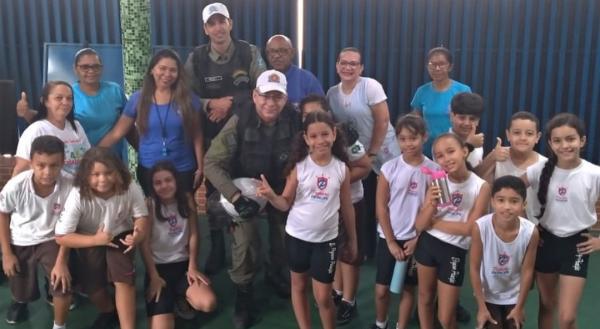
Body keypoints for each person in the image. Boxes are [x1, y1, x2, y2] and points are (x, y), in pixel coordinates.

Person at [204, 69, 301, 329]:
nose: (271, 103)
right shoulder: (239, 121)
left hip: (280, 189)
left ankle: (275, 272)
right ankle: (244, 294)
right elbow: (211, 163)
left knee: (285, 238)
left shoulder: (295, 120)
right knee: (246, 243)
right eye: (265, 96)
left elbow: (315, 143)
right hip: (244, 190)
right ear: (255, 96)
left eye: (277, 97)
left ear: (285, 99)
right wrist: (235, 198)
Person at [184, 1, 267, 275]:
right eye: (212, 23)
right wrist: (210, 103)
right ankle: (218, 248)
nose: (218, 27)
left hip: (246, 138)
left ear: (230, 23)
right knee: (213, 195)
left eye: (222, 21)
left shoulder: (249, 52)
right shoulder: (196, 58)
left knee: (247, 190)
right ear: (205, 29)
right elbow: (186, 95)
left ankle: (253, 253)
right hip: (211, 140)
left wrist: (228, 104)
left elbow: (263, 87)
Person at [256, 111, 358, 329]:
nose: (320, 140)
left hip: (327, 241)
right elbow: (285, 203)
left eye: (324, 134)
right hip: (297, 238)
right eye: (313, 136)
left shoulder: (341, 169)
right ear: (305, 139)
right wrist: (272, 196)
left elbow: (347, 207)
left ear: (334, 134)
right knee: (299, 286)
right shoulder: (299, 167)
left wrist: (352, 240)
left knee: (323, 297)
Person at [55, 147, 149, 329]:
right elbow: (61, 237)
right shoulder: (78, 194)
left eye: (108, 173)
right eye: (95, 174)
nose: (103, 179)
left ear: (118, 171)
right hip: (89, 236)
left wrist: (138, 234)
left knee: (124, 280)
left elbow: (141, 217)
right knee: (93, 287)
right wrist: (96, 240)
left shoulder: (129, 186)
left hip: (120, 233)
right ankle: (108, 310)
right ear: (84, 176)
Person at [522, 113, 600, 329]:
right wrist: (524, 226)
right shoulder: (540, 169)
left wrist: (599, 241)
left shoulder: (594, 173)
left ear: (582, 141)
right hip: (545, 243)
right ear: (549, 143)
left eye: (571, 139)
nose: (565, 145)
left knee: (567, 317)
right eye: (557, 140)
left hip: (577, 245)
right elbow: (511, 189)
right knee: (547, 305)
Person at [298, 94, 371, 324]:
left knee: (349, 253)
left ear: (328, 113)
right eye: (307, 114)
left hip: (351, 202)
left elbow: (366, 166)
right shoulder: (306, 138)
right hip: (326, 207)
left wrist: (337, 182)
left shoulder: (345, 134)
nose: (313, 117)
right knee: (335, 250)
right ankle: (338, 292)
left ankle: (349, 300)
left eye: (317, 112)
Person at [327, 47, 400, 263]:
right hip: (357, 155)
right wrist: (361, 157)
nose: (348, 67)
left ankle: (392, 248)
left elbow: (383, 121)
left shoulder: (370, 86)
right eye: (344, 63)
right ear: (337, 65)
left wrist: (373, 152)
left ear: (361, 68)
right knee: (365, 202)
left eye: (354, 64)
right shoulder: (331, 93)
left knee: (388, 202)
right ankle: (367, 249)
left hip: (383, 152)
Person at [99, 49, 203, 195]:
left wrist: (200, 167)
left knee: (187, 208)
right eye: (162, 68)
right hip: (149, 167)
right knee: (153, 210)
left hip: (183, 167)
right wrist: (93, 155)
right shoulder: (138, 99)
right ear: (152, 70)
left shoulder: (189, 99)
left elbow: (197, 135)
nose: (167, 74)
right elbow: (117, 133)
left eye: (173, 70)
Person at [367, 114, 437, 329]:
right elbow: (381, 207)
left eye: (413, 138)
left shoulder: (434, 171)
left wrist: (417, 239)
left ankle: (401, 325)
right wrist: (390, 241)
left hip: (416, 241)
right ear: (397, 139)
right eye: (403, 138)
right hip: (389, 237)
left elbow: (434, 211)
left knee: (408, 288)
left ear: (424, 137)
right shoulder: (389, 168)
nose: (408, 144)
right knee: (381, 290)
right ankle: (381, 324)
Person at [414, 133, 491, 329]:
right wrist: (431, 204)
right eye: (439, 156)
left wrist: (435, 223)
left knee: (446, 318)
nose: (446, 159)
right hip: (427, 244)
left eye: (451, 151)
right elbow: (420, 225)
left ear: (464, 151)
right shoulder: (437, 183)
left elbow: (469, 229)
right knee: (425, 298)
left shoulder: (481, 187)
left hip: (453, 250)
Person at [0, 136, 73, 328]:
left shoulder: (71, 185)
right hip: (21, 238)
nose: (47, 172)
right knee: (19, 281)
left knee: (61, 283)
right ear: (31, 162)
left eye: (54, 165)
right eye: (41, 165)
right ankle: (20, 301)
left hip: (53, 238)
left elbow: (71, 226)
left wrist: (62, 262)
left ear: (62, 162)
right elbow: (3, 215)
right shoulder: (16, 186)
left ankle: (59, 324)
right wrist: (6, 254)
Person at [16, 48, 131, 159]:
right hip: (76, 160)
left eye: (96, 66)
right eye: (85, 67)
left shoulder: (115, 90)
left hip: (111, 157)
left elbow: (128, 122)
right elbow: (49, 121)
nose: (91, 71)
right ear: (75, 69)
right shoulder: (68, 94)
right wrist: (26, 112)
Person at [140, 161, 216, 328]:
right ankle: (172, 300)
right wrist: (153, 276)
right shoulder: (149, 205)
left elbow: (194, 234)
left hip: (183, 266)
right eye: (158, 183)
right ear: (152, 187)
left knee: (208, 303)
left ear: (176, 181)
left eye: (168, 180)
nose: (164, 186)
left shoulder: (187, 199)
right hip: (159, 269)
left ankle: (181, 297)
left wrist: (193, 266)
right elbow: (144, 244)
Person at [470, 175, 539, 329]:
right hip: (488, 295)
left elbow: (527, 271)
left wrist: (520, 306)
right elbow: (474, 268)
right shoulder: (480, 227)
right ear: (492, 202)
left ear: (524, 204)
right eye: (501, 200)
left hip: (514, 297)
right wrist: (481, 308)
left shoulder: (531, 232)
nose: (507, 206)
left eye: (514, 201)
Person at [479, 111, 546, 223]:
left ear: (537, 137)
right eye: (516, 133)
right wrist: (491, 158)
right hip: (497, 225)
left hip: (531, 227)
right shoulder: (497, 155)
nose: (523, 138)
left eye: (529, 133)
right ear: (508, 134)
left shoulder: (545, 164)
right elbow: (476, 181)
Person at [13, 81, 91, 176]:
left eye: (69, 98)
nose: (65, 102)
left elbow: (88, 159)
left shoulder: (77, 126)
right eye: (59, 98)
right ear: (45, 102)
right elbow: (20, 170)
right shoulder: (36, 130)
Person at [410, 47, 472, 158]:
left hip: (454, 149)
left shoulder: (463, 90)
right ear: (427, 67)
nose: (437, 68)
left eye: (442, 64)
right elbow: (415, 121)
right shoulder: (422, 91)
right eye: (432, 64)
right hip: (428, 149)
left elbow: (471, 122)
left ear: (450, 66)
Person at [265, 35, 324, 109]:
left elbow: (321, 113)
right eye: (272, 51)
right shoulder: (263, 79)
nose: (277, 55)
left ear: (292, 53)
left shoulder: (308, 80)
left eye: (282, 51)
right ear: (267, 55)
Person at [448, 92, 485, 170]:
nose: (467, 123)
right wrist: (469, 145)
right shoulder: (442, 142)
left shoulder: (477, 143)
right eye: (462, 118)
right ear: (451, 116)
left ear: (478, 121)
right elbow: (452, 170)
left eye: (472, 119)